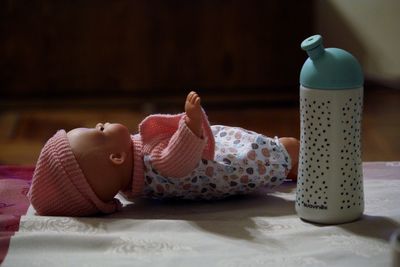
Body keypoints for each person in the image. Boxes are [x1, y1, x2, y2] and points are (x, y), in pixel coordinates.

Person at [28, 91, 299, 216]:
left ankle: (292, 166)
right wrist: (191, 126)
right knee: (286, 148)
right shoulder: (152, 159)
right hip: (237, 162)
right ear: (116, 158)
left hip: (218, 159)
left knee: (280, 152)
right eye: (99, 130)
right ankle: (301, 164)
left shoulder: (130, 183)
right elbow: (177, 159)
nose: (102, 123)